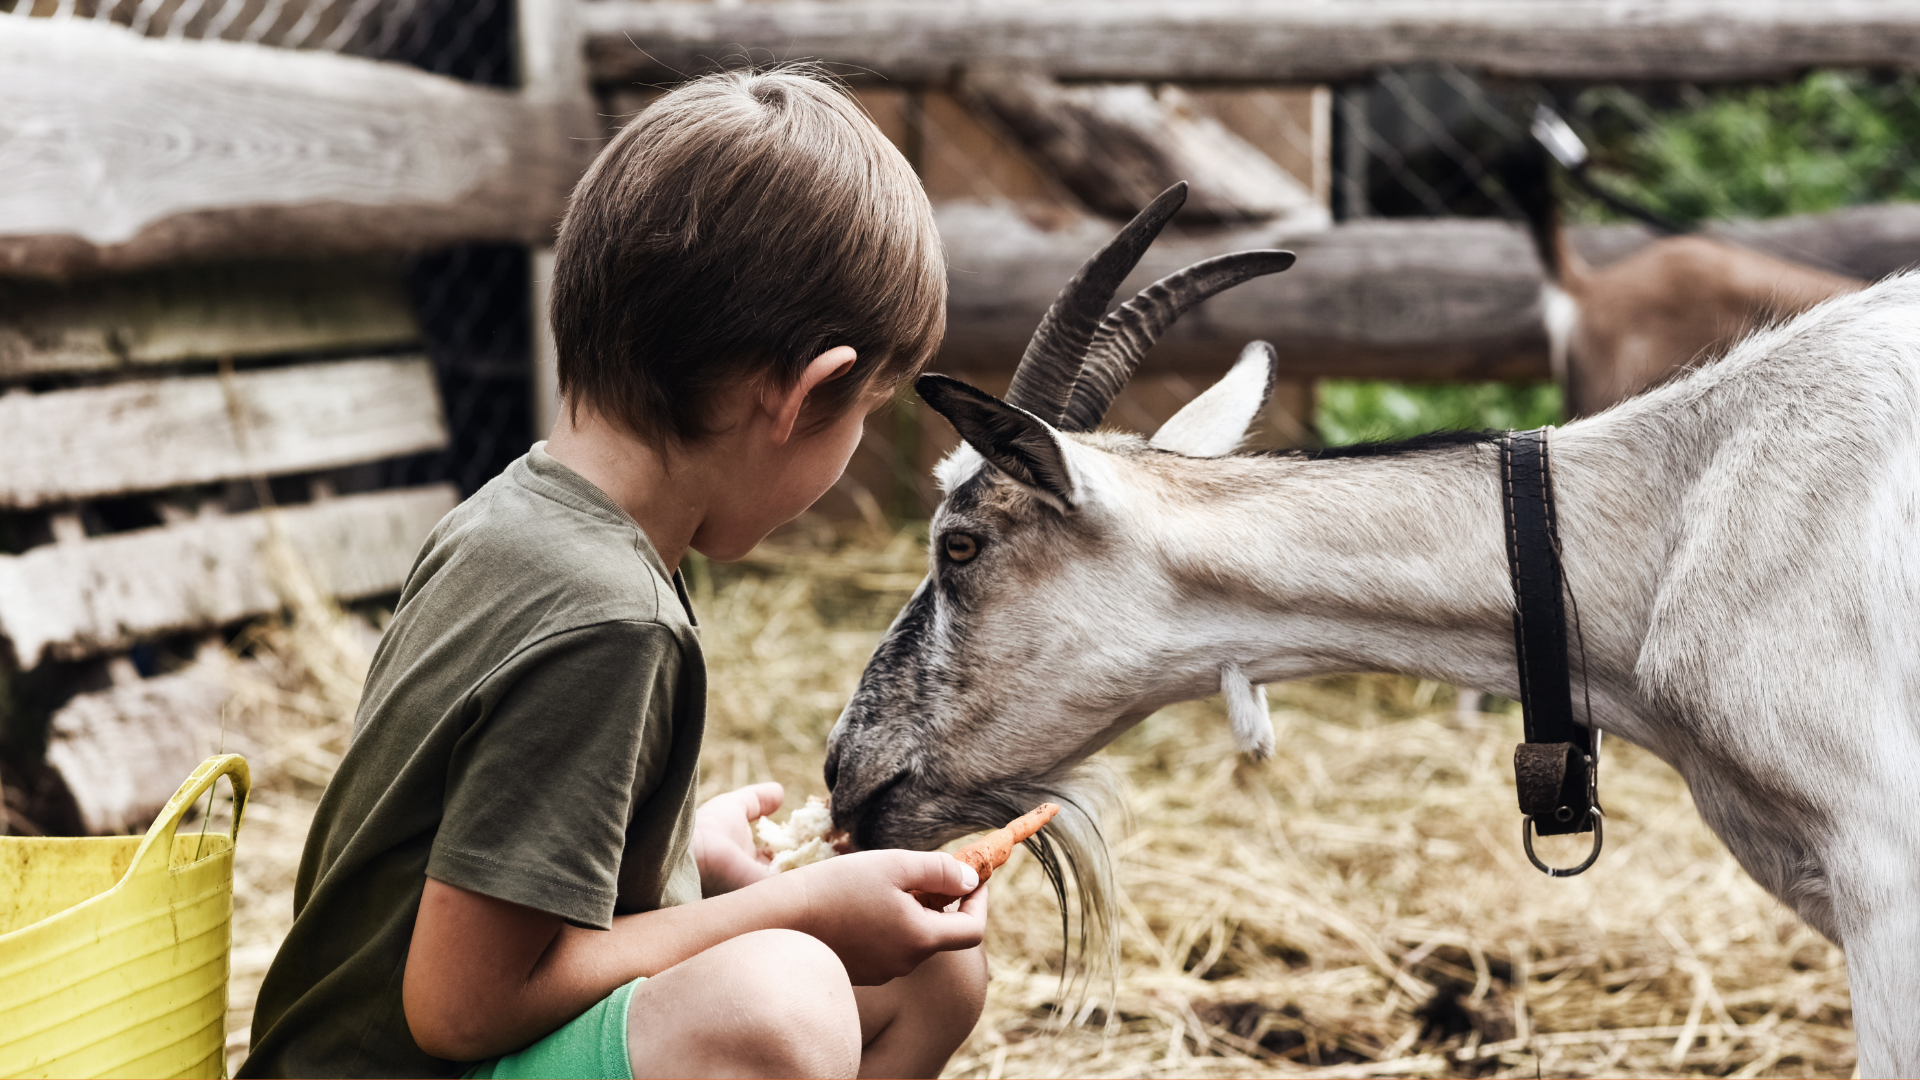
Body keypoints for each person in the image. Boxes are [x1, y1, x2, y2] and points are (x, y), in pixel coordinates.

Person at [240, 66, 987, 1079]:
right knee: (782, 1008)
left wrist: (687, 863)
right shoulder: (607, 617)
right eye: (866, 416)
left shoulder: (525, 518)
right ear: (803, 394)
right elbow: (459, 1007)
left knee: (932, 976)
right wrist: (788, 909)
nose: (854, 445)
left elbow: (499, 852)